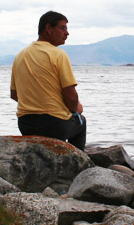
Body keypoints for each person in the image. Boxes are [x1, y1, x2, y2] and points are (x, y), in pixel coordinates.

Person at [10, 11, 86, 150]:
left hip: (25, 124)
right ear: (48, 28)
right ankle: (78, 163)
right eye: (62, 28)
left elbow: (14, 95)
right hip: (54, 125)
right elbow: (71, 95)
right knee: (81, 123)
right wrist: (76, 108)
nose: (67, 33)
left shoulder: (20, 55)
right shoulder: (58, 54)